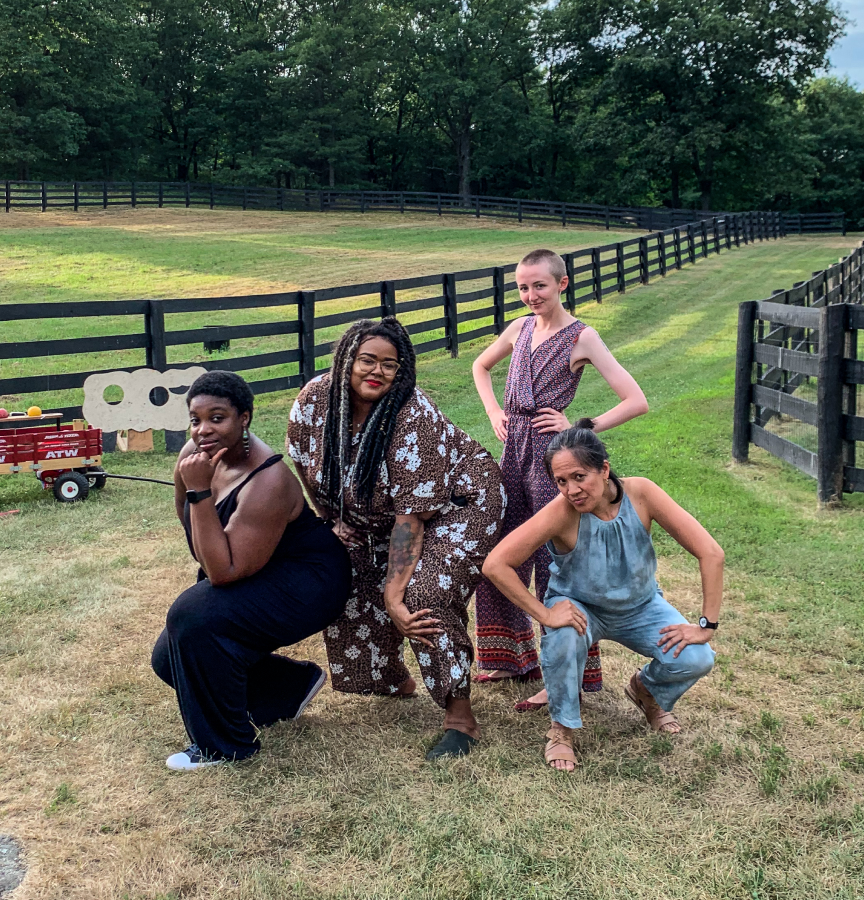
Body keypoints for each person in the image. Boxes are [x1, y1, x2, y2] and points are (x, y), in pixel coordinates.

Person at [286, 317, 505, 760]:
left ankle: (460, 715)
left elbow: (413, 517)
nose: (377, 371)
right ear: (346, 359)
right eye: (368, 360)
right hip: (377, 512)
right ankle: (389, 679)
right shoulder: (314, 401)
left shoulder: (413, 415)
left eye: (390, 364)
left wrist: (394, 592)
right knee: (344, 576)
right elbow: (304, 462)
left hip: (459, 504)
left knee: (423, 594)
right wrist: (331, 517)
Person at [482, 424, 721, 771]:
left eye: (579, 477)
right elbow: (496, 564)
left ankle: (646, 691)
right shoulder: (561, 512)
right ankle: (561, 730)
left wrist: (705, 625)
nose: (571, 490)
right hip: (581, 609)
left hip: (642, 607)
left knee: (697, 658)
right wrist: (545, 615)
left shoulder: (641, 493)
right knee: (563, 636)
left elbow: (710, 553)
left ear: (604, 469)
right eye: (561, 481)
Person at [472, 248, 648, 710]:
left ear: (562, 284)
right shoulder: (520, 327)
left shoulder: (582, 337)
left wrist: (582, 426)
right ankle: (508, 655)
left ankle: (561, 674)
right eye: (523, 288)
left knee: (558, 562)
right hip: (513, 453)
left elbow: (636, 399)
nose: (531, 295)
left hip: (554, 459)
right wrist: (494, 411)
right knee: (504, 548)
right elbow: (479, 366)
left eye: (540, 286)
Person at [152, 371, 352, 771]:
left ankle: (224, 747)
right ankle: (287, 690)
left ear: (245, 417)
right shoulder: (194, 457)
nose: (203, 430)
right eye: (195, 419)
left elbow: (224, 572)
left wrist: (199, 492)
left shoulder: (269, 479)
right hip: (258, 567)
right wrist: (195, 490)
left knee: (192, 617)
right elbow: (196, 538)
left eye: (217, 417)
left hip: (310, 580)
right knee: (168, 656)